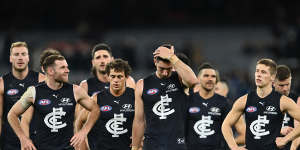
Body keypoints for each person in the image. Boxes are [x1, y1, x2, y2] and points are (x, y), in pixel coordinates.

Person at [7, 55, 100, 150]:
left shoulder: (75, 91)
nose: (67, 70)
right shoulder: (33, 92)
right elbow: (12, 114)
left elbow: (95, 109)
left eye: (67, 67)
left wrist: (84, 132)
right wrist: (23, 139)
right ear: (51, 71)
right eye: (63, 67)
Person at [222, 58, 300, 150]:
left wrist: (286, 139)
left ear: (272, 77)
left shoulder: (283, 101)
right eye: (257, 71)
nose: (258, 75)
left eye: (263, 72)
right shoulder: (244, 100)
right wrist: (234, 147)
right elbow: (225, 125)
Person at [131, 44, 199, 150]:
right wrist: (135, 147)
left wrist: (172, 57)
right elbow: (139, 121)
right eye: (161, 68)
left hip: (177, 144)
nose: (165, 72)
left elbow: (193, 81)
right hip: (152, 144)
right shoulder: (142, 84)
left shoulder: (180, 78)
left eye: (169, 68)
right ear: (155, 61)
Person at [76, 58, 135, 150]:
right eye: (112, 76)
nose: (116, 80)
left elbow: (146, 120)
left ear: (126, 77)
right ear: (108, 77)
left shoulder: (135, 97)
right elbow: (80, 120)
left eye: (119, 76)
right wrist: (82, 147)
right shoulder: (97, 98)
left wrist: (142, 137)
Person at [186, 63, 245, 150]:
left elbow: (234, 131)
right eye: (206, 76)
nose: (210, 79)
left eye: (213, 76)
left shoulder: (225, 103)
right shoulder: (188, 100)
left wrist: (232, 145)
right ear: (198, 79)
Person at [0, 41, 45, 150]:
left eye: (23, 54)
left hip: (37, 142)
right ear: (10, 58)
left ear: (28, 58)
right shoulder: (2, 83)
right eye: (16, 54)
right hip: (10, 143)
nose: (20, 58)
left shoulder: (42, 80)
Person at [20, 48, 62, 138]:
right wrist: (26, 142)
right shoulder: (34, 92)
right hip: (40, 141)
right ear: (44, 68)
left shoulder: (71, 90)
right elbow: (24, 120)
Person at [273, 65, 300, 150]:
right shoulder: (263, 101)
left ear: (291, 80)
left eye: (287, 84)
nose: (285, 89)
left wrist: (293, 147)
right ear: (273, 83)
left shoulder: (297, 100)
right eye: (281, 85)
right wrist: (280, 130)